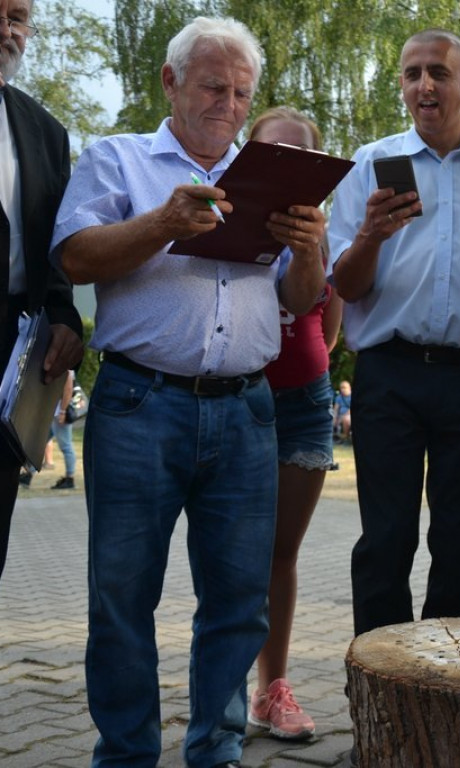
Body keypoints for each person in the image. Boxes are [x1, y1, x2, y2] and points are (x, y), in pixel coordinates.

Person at [50, 17, 326, 768]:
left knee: (238, 605)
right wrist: (166, 223)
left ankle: (216, 753)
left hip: (246, 409)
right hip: (141, 404)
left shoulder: (264, 176)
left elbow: (300, 301)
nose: (228, 105)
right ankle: (129, 756)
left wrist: (310, 248)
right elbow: (74, 256)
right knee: (120, 602)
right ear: (170, 82)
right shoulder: (119, 160)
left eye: (241, 92)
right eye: (213, 86)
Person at [328, 28, 460, 637]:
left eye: (438, 72)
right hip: (389, 373)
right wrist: (370, 237)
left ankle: (444, 685)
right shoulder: (368, 165)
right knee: (386, 540)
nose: (424, 85)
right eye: (412, 73)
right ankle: (384, 693)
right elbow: (347, 285)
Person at [243, 106, 342, 742]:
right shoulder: (224, 216)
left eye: (300, 157)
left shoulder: (318, 233)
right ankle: (223, 684)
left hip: (305, 402)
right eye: (272, 152)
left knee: (281, 554)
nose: (285, 166)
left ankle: (271, 689)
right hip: (239, 398)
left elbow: (322, 322)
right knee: (230, 553)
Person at [0, 0, 83, 577]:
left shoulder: (45, 132)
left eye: (18, 17)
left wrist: (65, 320)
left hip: (10, 354)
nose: (7, 30)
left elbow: (55, 254)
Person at [50, 370, 75, 489]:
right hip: (54, 410)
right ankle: (28, 473)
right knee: (43, 440)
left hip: (59, 411)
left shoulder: (67, 367)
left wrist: (63, 411)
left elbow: (68, 388)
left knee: (66, 446)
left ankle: (70, 478)